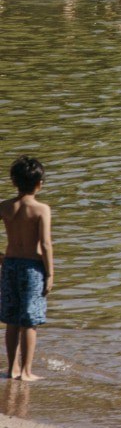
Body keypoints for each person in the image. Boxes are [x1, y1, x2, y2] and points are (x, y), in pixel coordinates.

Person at [3, 156, 52, 381]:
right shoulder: (41, 209)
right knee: (29, 322)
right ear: (39, 183)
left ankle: (11, 368)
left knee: (12, 320)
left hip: (10, 265)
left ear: (14, 182)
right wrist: (50, 273)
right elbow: (45, 244)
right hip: (33, 268)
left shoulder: (5, 206)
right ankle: (26, 371)